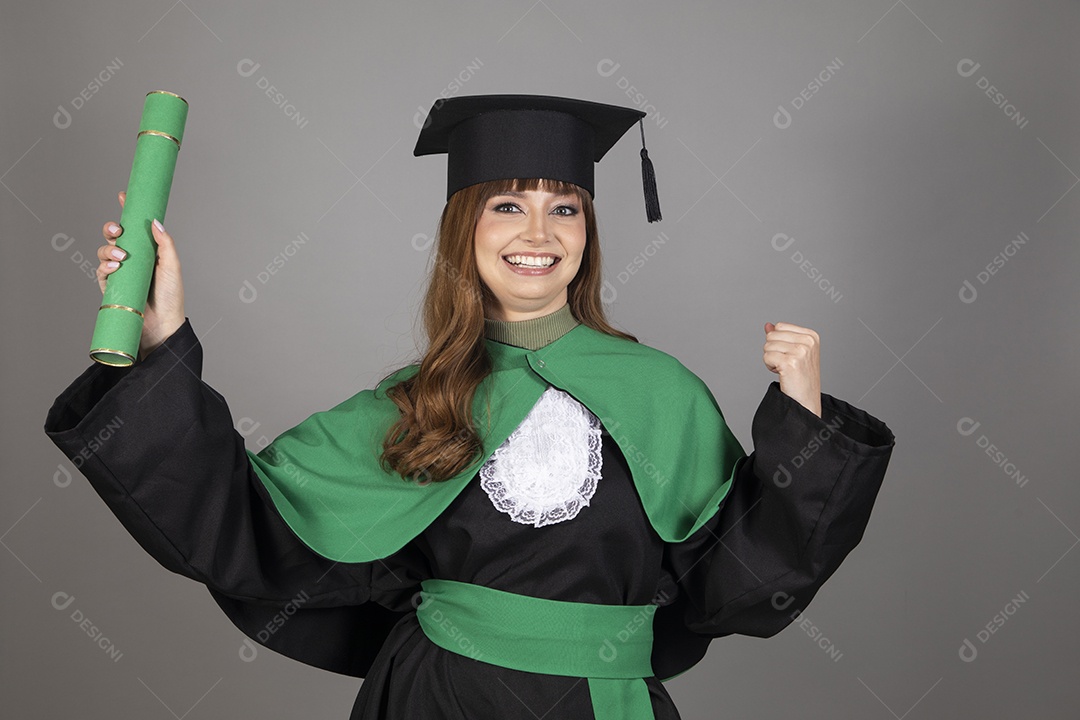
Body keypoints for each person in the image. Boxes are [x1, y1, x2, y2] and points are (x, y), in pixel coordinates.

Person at [44, 94, 896, 720]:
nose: (539, 231)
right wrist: (163, 341)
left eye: (565, 207)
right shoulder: (418, 401)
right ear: (464, 229)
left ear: (589, 232)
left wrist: (803, 423)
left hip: (602, 704)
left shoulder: (661, 391)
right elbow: (249, 525)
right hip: (436, 698)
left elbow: (736, 587)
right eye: (507, 206)